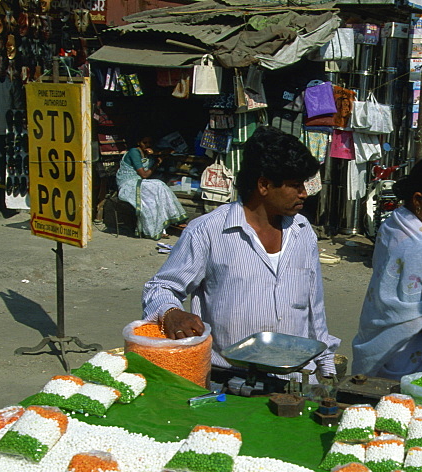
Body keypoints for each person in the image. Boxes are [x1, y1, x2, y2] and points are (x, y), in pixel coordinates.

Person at [141, 126, 339, 377]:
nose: (303, 193)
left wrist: (326, 367)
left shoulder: (303, 232)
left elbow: (314, 311)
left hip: (294, 379)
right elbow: (161, 287)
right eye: (294, 185)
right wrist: (171, 312)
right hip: (228, 377)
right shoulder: (207, 231)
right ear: (264, 185)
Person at [352, 157, 422, 377]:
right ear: (419, 200)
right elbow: (410, 316)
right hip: (407, 352)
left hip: (382, 335)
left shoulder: (394, 222)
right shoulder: (418, 245)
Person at [117, 136, 187, 240]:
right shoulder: (134, 152)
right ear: (139, 142)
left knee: (155, 196)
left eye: (149, 143)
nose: (147, 145)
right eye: (145, 143)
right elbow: (144, 175)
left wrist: (158, 154)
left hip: (139, 183)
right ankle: (166, 224)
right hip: (128, 184)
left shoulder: (150, 153)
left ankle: (163, 227)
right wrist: (157, 163)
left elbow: (163, 152)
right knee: (159, 185)